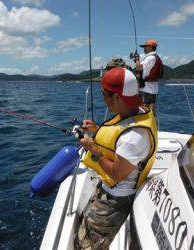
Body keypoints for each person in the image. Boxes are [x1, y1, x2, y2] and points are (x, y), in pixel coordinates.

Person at [75, 67, 158, 249]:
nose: (103, 99)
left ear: (117, 97)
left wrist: (93, 149)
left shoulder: (134, 137)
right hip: (108, 188)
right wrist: (97, 130)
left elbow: (117, 174)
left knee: (86, 245)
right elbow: (118, 135)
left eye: (104, 94)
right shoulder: (137, 111)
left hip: (115, 198)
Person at [134, 39, 163, 114]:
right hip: (153, 88)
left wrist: (137, 59)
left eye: (145, 46)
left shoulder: (150, 58)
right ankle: (152, 124)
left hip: (146, 88)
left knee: (143, 110)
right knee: (151, 110)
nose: (144, 48)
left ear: (150, 47)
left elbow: (138, 67)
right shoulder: (155, 57)